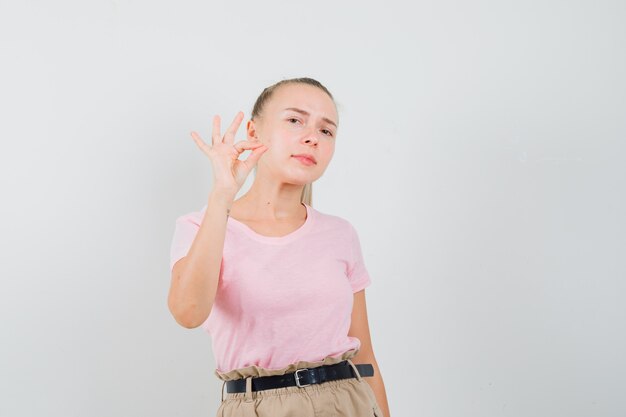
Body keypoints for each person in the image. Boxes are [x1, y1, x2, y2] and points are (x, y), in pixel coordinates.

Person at [168, 77, 390, 417]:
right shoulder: (201, 226)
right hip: (257, 407)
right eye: (295, 120)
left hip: (347, 404)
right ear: (254, 134)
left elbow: (364, 357)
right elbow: (188, 312)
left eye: (326, 131)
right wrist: (222, 197)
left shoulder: (340, 234)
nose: (311, 137)